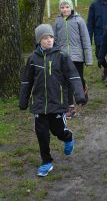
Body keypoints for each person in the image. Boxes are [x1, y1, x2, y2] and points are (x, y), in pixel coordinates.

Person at [19, 24, 86, 177]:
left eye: (50, 37)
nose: (48, 40)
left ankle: (68, 137)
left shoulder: (62, 56)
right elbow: (26, 81)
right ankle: (46, 162)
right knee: (42, 134)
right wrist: (23, 101)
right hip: (39, 104)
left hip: (58, 103)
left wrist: (79, 95)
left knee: (58, 131)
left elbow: (73, 76)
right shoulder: (32, 58)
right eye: (44, 38)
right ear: (39, 40)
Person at [53, 0, 92, 119]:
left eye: (67, 7)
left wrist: (88, 58)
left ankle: (83, 89)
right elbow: (53, 40)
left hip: (77, 56)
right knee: (66, 82)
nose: (65, 9)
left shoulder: (79, 21)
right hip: (63, 57)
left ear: (71, 7)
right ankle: (70, 107)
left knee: (78, 79)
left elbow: (86, 40)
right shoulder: (57, 22)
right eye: (62, 7)